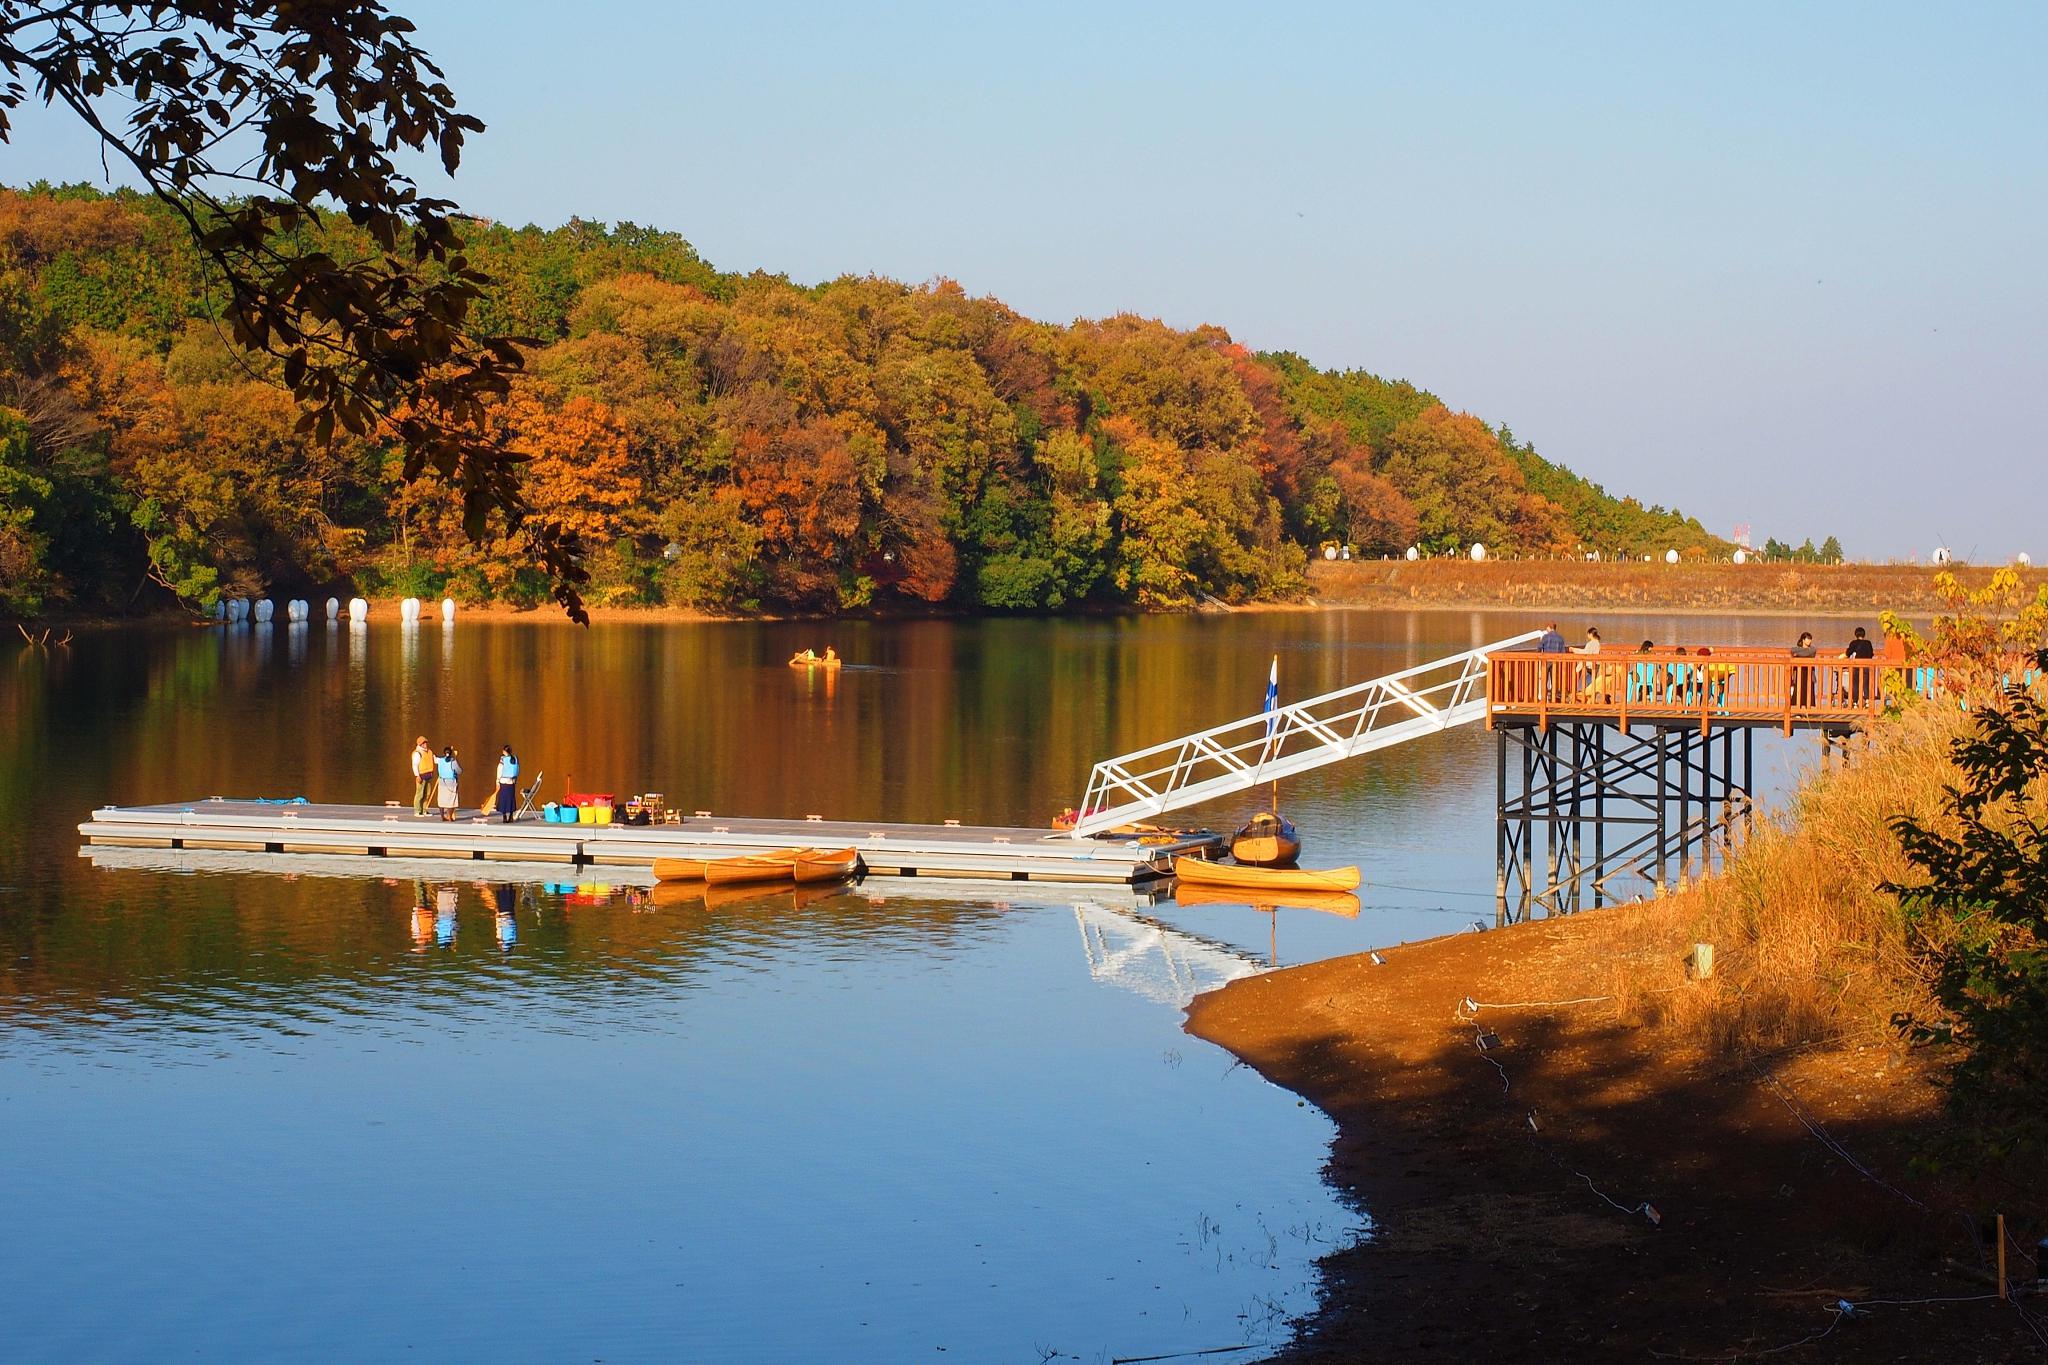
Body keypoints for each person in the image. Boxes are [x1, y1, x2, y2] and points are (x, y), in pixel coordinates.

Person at [1844, 626, 1875, 704]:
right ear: (1864, 635)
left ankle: (1855, 702)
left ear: (1856, 634)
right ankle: (1868, 701)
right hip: (1867, 666)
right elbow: (1871, 654)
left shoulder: (1853, 643)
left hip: (1856, 666)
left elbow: (1848, 653)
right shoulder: (1868, 643)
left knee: (1855, 684)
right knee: (1866, 684)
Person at [411, 735, 437, 815]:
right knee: (420, 794)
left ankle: (424, 810)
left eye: (425, 742)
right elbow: (415, 765)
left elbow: (435, 760)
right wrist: (417, 775)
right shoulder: (417, 753)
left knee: (427, 793)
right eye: (423, 743)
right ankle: (417, 811)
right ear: (420, 744)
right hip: (421, 776)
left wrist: (445, 760)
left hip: (428, 776)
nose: (425, 744)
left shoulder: (429, 751)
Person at [494, 745, 520, 824]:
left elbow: (499, 770)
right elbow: (517, 769)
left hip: (504, 782)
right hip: (512, 782)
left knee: (503, 800)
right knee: (511, 799)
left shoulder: (503, 759)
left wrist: (497, 781)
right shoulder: (515, 759)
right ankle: (511, 816)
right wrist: (515, 779)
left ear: (505, 751)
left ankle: (504, 817)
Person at [1790, 631, 1817, 707]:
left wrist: (1798, 654)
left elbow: (1809, 652)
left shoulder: (1812, 649)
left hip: (1809, 672)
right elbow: (1792, 650)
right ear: (1803, 640)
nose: (1809, 641)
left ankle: (1807, 710)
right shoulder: (1796, 649)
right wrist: (1799, 652)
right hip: (1799, 672)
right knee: (1798, 689)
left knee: (1809, 690)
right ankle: (1799, 710)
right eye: (1807, 639)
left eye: (1810, 639)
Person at [435, 745, 462, 821]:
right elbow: (459, 771)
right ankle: (449, 817)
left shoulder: (439, 760)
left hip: (442, 782)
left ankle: (442, 816)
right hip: (451, 782)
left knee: (441, 799)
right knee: (451, 800)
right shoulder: (453, 761)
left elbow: (434, 758)